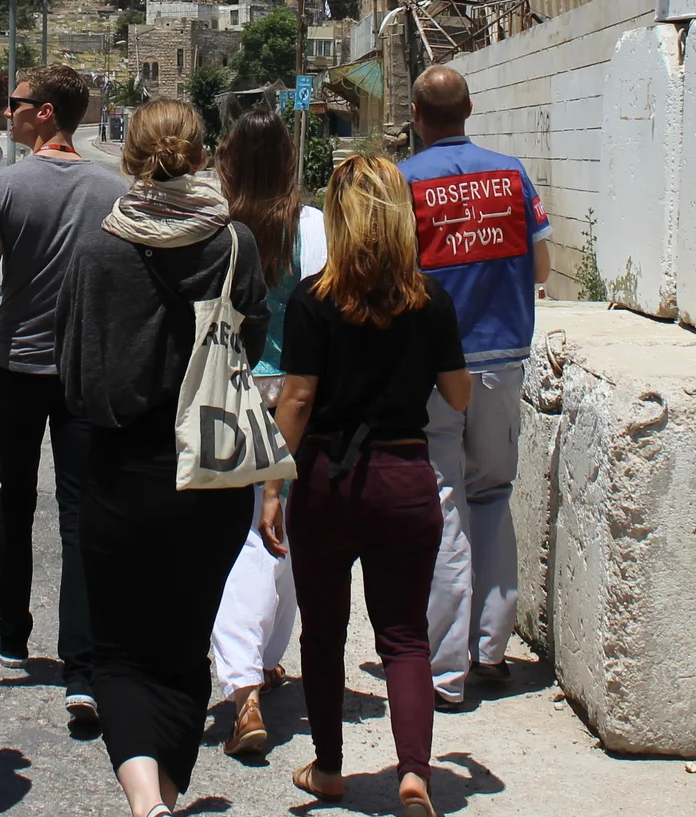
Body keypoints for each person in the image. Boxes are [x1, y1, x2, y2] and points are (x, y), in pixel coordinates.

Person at [58, 99, 268, 817]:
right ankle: (162, 796)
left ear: (129, 157)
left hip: (122, 470)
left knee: (117, 649)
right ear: (202, 153)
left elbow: (75, 372)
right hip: (211, 473)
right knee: (183, 646)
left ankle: (147, 800)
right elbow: (254, 340)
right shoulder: (236, 243)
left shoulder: (98, 248)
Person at [263, 153, 469, 817]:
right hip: (405, 478)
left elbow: (296, 399)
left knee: (323, 632)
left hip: (328, 479)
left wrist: (272, 484)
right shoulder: (429, 298)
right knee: (405, 634)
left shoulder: (312, 298)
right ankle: (415, 775)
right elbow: (458, 395)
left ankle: (328, 769)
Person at [0, 63, 124, 727]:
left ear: (47, 112)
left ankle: (12, 631)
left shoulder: (0, 187)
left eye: (16, 103)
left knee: (17, 499)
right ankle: (82, 667)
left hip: (18, 370)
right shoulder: (112, 190)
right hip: (85, 372)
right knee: (83, 509)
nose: (8, 112)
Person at [396, 64, 550, 710]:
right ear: (470, 108)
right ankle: (491, 650)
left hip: (433, 367)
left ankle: (443, 667)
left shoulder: (403, 182)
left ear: (416, 114)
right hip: (504, 355)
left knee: (442, 500)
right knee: (492, 493)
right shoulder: (512, 173)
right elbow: (541, 265)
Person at [207, 108, 329, 757]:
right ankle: (256, 661)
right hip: (299, 394)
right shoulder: (314, 228)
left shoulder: (217, 229)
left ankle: (244, 679)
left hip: (231, 390)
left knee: (249, 534)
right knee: (280, 527)